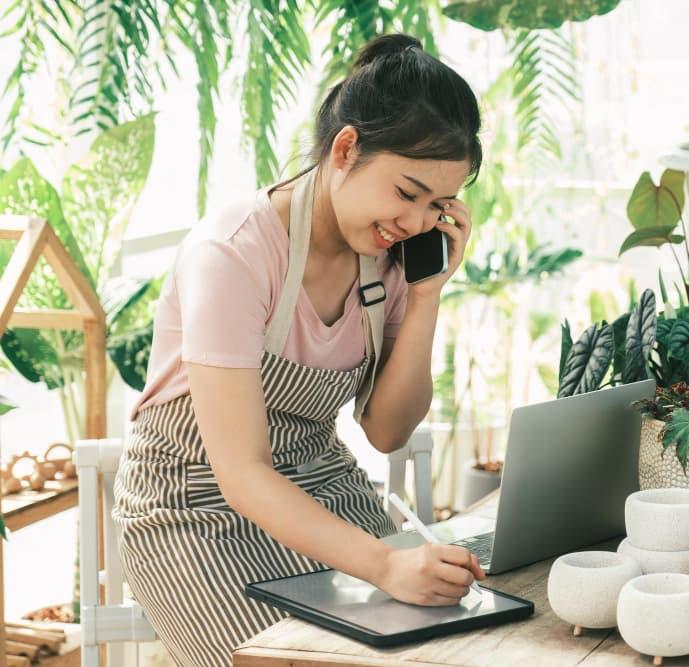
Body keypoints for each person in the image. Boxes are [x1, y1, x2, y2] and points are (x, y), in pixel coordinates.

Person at [112, 33, 485, 667]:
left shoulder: (388, 259)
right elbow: (243, 474)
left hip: (321, 487)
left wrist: (426, 297)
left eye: (437, 205)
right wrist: (384, 565)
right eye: (407, 192)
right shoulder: (233, 252)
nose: (419, 222)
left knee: (438, 649)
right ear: (346, 149)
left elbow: (388, 431)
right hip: (193, 512)